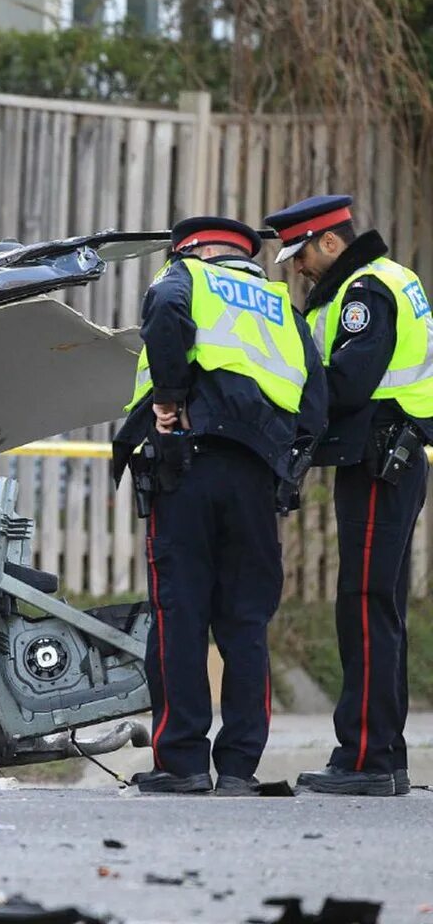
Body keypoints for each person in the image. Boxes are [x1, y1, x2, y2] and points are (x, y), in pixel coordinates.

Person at [113, 216, 328, 795]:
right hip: (257, 478)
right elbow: (316, 398)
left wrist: (169, 398)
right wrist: (287, 465)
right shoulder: (281, 305)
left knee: (181, 615)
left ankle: (181, 763)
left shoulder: (186, 279)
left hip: (187, 466)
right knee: (245, 622)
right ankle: (238, 767)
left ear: (193, 249)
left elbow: (162, 316)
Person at [264, 195, 433, 796]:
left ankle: (365, 758)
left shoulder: (363, 293)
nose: (298, 267)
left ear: (330, 241)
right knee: (379, 607)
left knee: (363, 604)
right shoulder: (391, 279)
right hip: (392, 456)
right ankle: (383, 755)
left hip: (379, 456)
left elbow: (346, 382)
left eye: (301, 254)